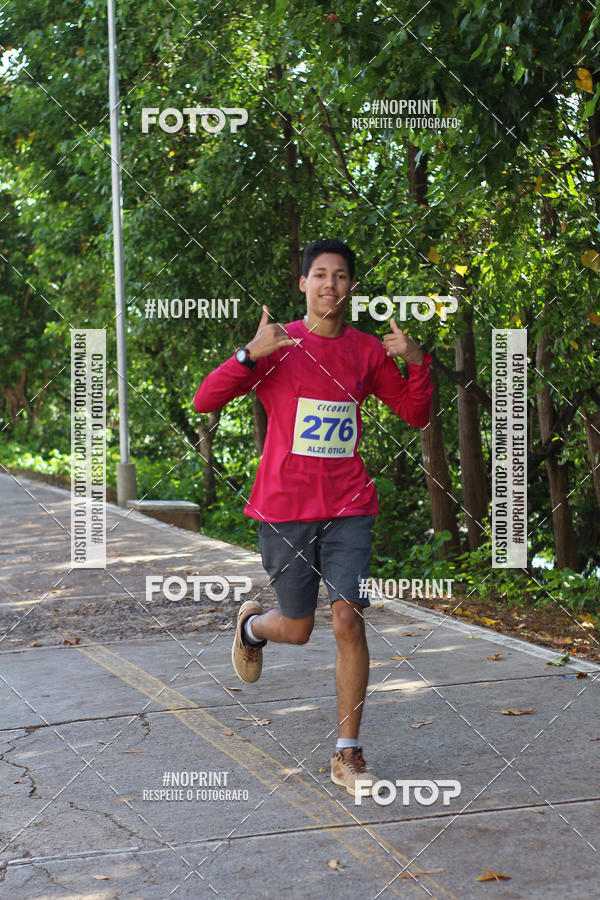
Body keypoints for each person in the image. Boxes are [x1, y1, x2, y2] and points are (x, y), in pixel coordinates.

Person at [194, 238, 433, 795]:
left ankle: (347, 753)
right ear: (303, 284)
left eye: (341, 276)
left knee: (349, 619)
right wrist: (248, 354)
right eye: (320, 275)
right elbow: (206, 401)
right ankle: (253, 627)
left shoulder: (368, 351)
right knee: (298, 630)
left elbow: (415, 412)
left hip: (349, 504)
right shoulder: (278, 345)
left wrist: (416, 363)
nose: (330, 284)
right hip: (285, 508)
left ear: (350, 287)